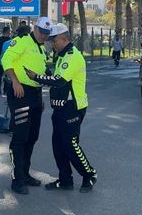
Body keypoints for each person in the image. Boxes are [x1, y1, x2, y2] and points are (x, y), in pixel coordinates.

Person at [25, 23, 97, 193]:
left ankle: (89, 174)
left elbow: (59, 81)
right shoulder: (61, 56)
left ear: (64, 39)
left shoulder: (73, 56)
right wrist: (44, 73)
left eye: (54, 40)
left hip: (72, 107)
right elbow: (56, 78)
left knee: (70, 144)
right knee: (58, 145)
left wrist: (37, 77)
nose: (51, 43)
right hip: (59, 108)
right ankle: (65, 180)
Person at [1, 17, 51, 195]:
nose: (44, 36)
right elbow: (6, 60)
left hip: (35, 95)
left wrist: (40, 97)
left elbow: (41, 70)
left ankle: (25, 173)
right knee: (20, 136)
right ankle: (17, 178)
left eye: (47, 34)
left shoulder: (42, 48)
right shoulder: (21, 42)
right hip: (20, 94)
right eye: (42, 32)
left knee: (32, 136)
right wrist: (15, 81)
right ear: (35, 28)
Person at [0, 26, 12, 96]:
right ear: (8, 32)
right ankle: (5, 90)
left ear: (3, 32)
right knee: (8, 75)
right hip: (8, 61)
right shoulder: (11, 41)